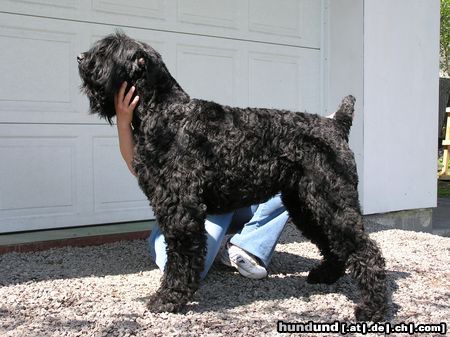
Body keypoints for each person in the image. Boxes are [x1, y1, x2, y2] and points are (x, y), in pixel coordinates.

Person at [115, 82, 289, 279]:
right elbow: (136, 168)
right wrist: (123, 122)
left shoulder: (238, 129)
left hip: (237, 199)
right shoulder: (169, 127)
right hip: (203, 207)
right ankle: (159, 241)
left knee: (289, 174)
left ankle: (246, 246)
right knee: (189, 268)